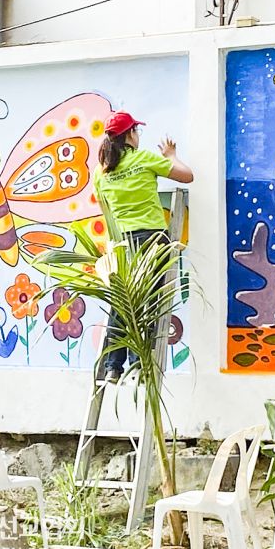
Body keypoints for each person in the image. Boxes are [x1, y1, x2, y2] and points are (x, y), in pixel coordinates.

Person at [91, 110, 193, 382]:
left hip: (124, 244)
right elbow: (187, 176)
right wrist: (170, 157)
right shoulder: (144, 159)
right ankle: (138, 365)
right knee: (148, 301)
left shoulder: (101, 173)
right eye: (137, 131)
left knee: (123, 302)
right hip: (151, 241)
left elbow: (106, 212)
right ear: (130, 135)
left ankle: (113, 366)